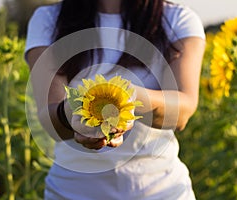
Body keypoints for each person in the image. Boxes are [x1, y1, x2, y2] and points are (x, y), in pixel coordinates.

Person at [25, 0, 205, 199]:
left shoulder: (177, 19)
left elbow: (182, 111)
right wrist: (73, 112)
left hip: (161, 191)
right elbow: (50, 117)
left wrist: (129, 100)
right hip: (72, 192)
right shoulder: (48, 19)